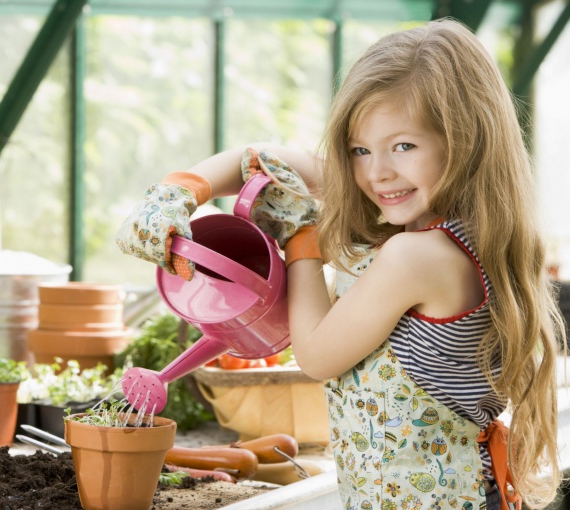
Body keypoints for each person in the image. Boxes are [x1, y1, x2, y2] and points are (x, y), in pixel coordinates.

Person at [116, 18, 566, 509]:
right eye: (359, 149)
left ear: (466, 138)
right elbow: (266, 160)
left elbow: (316, 354)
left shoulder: (417, 256)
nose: (377, 172)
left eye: (404, 146)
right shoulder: (450, 228)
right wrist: (181, 190)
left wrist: (302, 238)